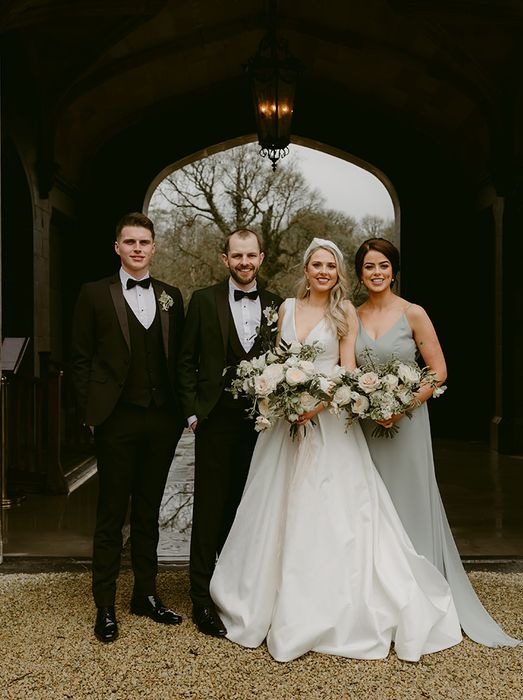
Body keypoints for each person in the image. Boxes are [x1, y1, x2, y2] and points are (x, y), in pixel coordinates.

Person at [209, 238, 462, 662]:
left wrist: (316, 405)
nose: (323, 271)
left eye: (331, 266)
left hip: (327, 424)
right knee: (273, 506)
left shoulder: (344, 312)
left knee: (330, 510)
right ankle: (262, 599)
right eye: (316, 265)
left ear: (339, 274)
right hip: (285, 427)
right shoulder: (287, 308)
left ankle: (324, 606)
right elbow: (277, 359)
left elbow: (347, 369)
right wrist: (280, 396)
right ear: (306, 270)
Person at [354, 237, 521, 648]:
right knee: (369, 506)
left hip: (407, 423)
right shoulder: (351, 316)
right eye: (369, 266)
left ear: (394, 271)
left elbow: (438, 371)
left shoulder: (413, 313)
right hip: (366, 426)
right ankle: (376, 601)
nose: (377, 273)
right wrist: (365, 401)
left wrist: (401, 402)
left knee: (408, 501)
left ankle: (421, 601)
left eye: (383, 266)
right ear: (359, 273)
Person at [70, 212, 185, 643]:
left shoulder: (172, 295)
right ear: (117, 247)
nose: (138, 249)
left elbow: (179, 360)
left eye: (144, 242)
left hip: (160, 419)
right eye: (129, 242)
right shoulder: (94, 293)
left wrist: (181, 414)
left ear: (154, 248)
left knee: (149, 510)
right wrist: (91, 413)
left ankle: (145, 595)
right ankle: (104, 605)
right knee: (111, 512)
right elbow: (79, 358)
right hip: (115, 417)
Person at [177, 227, 283, 637]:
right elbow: (184, 362)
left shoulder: (277, 305)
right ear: (225, 259)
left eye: (250, 255)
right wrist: (191, 414)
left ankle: (240, 592)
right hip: (215, 420)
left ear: (261, 257)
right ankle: (201, 599)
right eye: (236, 256)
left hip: (262, 424)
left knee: (250, 508)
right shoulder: (203, 301)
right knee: (209, 507)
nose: (244, 262)